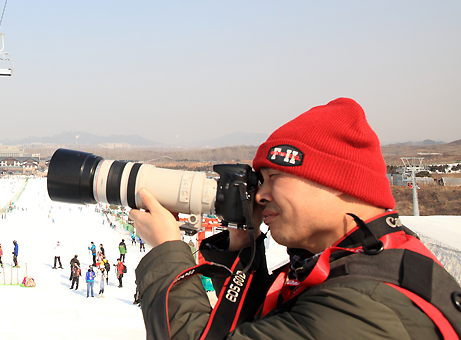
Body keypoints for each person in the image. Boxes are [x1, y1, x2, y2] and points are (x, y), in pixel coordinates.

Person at [129, 97, 461, 340]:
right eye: (260, 181)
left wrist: (167, 250)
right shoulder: (376, 260)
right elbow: (264, 325)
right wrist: (242, 244)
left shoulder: (365, 304)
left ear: (337, 180)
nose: (260, 195)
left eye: (274, 177)